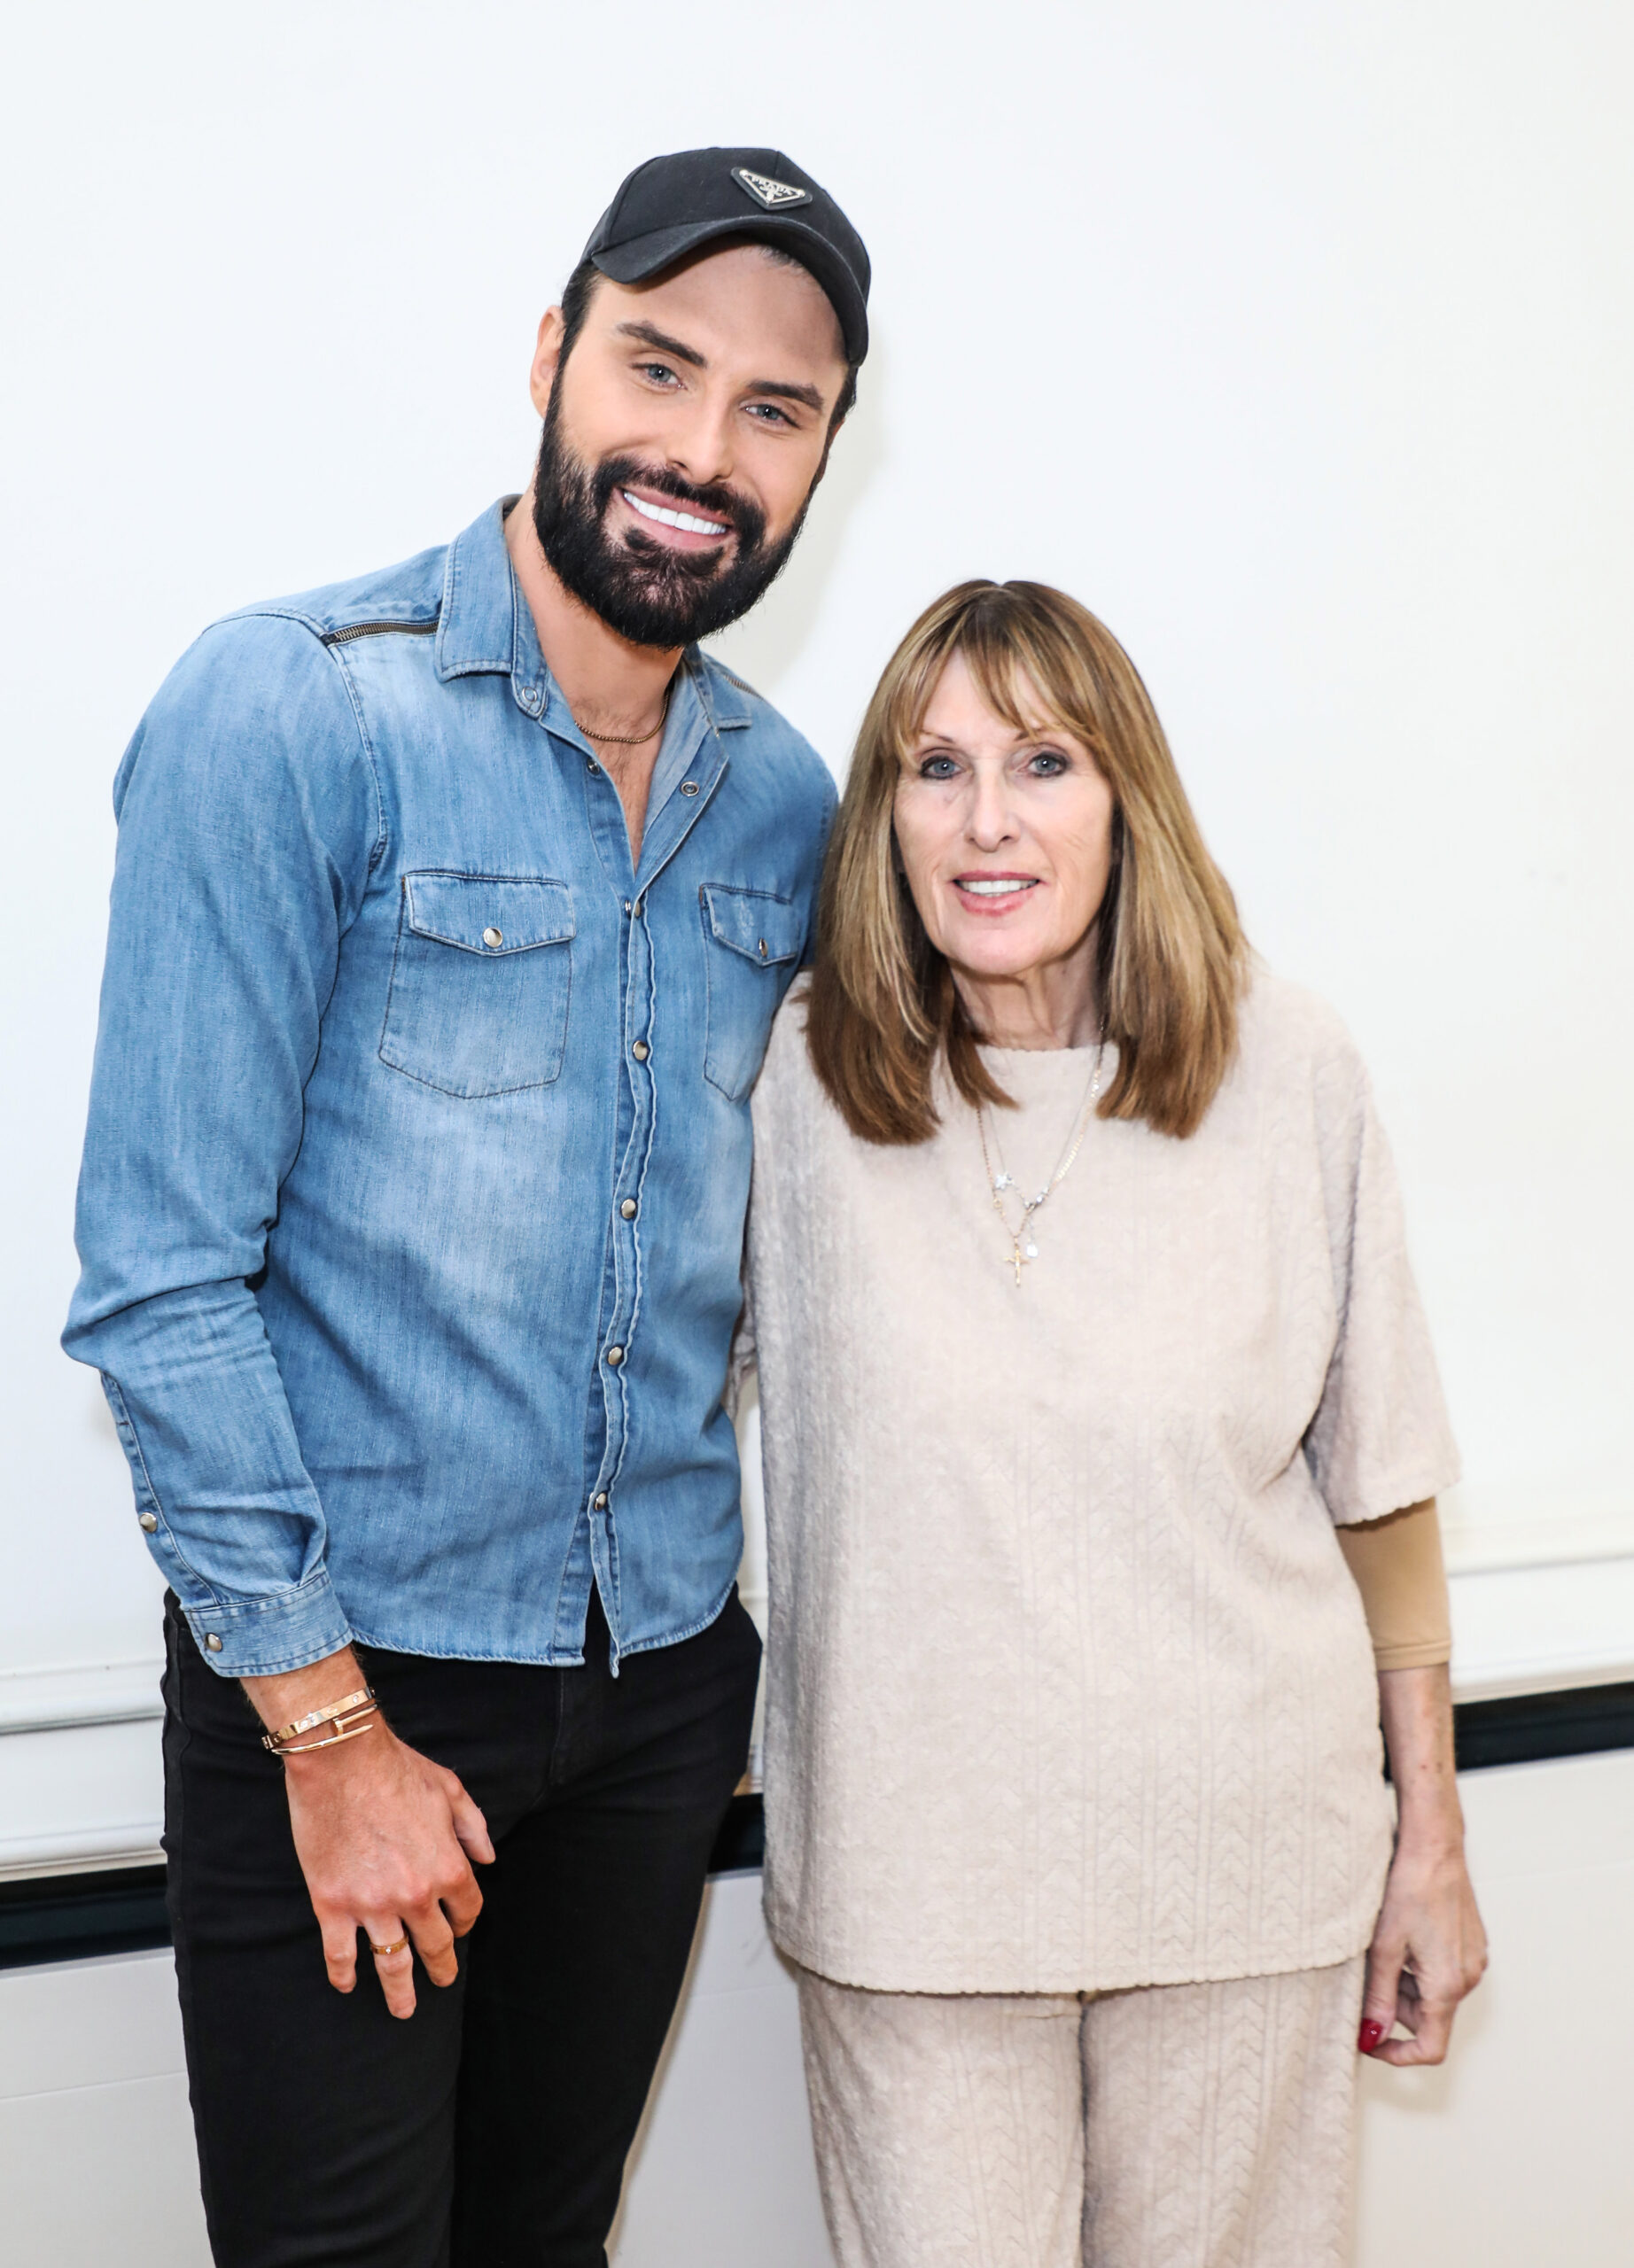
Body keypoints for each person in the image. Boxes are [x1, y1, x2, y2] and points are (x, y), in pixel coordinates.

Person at [64, 147, 868, 2268]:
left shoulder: (785, 804)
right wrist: (327, 1728)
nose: (703, 449)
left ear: (821, 458)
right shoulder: (290, 707)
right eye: (658, 366)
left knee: (544, 2241)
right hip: (349, 1679)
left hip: (658, 1684)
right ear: (549, 355)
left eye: (774, 408)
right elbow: (161, 1281)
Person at [740, 579, 1488, 2267]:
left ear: (1124, 794)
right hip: (913, 1888)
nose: (986, 822)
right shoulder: (800, 1077)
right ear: (884, 819)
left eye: (1044, 762)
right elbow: (639, 1397)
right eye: (936, 768)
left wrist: (1430, 1846)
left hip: (1247, 1874)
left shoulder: (1289, 1067)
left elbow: (1381, 1487)